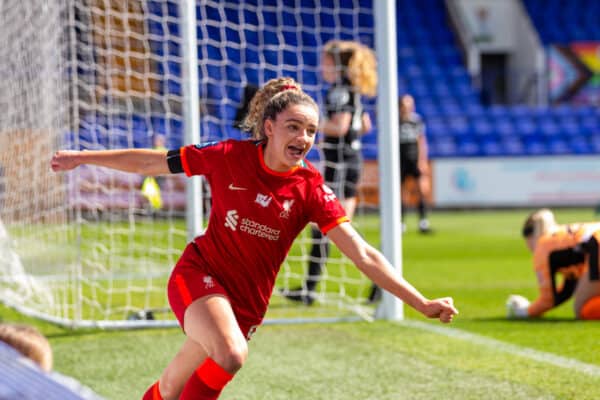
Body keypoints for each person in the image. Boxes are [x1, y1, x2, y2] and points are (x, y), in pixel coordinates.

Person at [51, 77, 458, 400]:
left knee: (172, 388)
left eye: (312, 131)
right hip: (199, 275)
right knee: (231, 354)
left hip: (246, 305)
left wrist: (420, 302)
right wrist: (83, 157)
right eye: (293, 127)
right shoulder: (228, 154)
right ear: (269, 127)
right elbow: (152, 162)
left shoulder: (311, 189)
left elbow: (363, 254)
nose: (303, 137)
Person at [284, 40, 378, 305]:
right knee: (335, 228)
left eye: (325, 61)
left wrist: (307, 124)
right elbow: (365, 125)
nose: (321, 66)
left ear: (335, 64)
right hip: (350, 162)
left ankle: (309, 290)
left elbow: (340, 125)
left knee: (327, 226)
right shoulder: (351, 89)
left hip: (341, 165)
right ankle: (311, 289)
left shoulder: (338, 91)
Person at [507, 208, 600, 320]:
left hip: (597, 244)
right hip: (595, 242)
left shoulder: (543, 247)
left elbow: (548, 299)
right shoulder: (561, 238)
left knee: (582, 308)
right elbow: (567, 290)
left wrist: (525, 311)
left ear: (529, 237)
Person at [399, 94, 433, 234]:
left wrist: (422, 160)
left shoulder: (416, 120)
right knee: (402, 193)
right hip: (400, 160)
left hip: (414, 160)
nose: (407, 108)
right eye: (405, 105)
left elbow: (421, 141)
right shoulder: (395, 120)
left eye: (410, 105)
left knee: (421, 190)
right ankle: (400, 222)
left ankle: (423, 222)